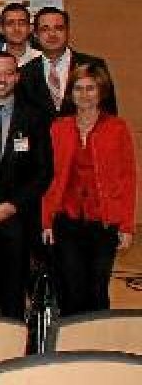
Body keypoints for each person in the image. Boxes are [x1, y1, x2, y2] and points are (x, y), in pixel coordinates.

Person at [42, 63, 134, 315]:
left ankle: (97, 345)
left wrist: (126, 225)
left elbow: (128, 178)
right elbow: (49, 179)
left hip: (103, 221)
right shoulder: (58, 128)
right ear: (71, 93)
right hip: (67, 219)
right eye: (79, 89)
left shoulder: (117, 129)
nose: (84, 94)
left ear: (101, 92)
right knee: (71, 288)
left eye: (90, 88)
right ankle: (71, 347)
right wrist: (47, 221)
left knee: (97, 288)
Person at [0, 52, 53, 318]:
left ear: (17, 76)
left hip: (16, 219)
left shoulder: (36, 118)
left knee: (13, 295)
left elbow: (43, 171)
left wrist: (11, 206)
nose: (1, 79)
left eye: (7, 73)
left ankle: (12, 356)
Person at [19, 6, 116, 119]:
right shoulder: (25, 73)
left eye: (59, 28)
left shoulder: (92, 66)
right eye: (45, 29)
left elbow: (109, 114)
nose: (52, 34)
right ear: (35, 34)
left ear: (68, 31)